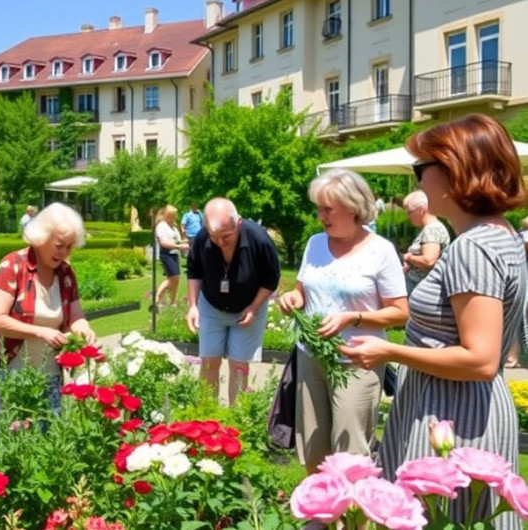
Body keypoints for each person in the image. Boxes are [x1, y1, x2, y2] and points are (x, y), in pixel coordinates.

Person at [340, 114, 527, 529]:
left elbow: (480, 359)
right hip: (472, 409)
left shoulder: (472, 249)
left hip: (453, 412)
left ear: (455, 171)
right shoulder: (504, 235)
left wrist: (387, 349)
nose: (418, 181)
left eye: (421, 168)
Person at [278, 169, 408, 474]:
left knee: (351, 455)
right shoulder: (315, 244)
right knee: (313, 450)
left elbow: (401, 312)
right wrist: (292, 300)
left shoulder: (381, 251)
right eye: (318, 208)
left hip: (358, 360)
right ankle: (322, 517)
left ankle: (355, 519)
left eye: (327, 209)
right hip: (311, 357)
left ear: (352, 207)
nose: (320, 216)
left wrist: (354, 317)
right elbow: (302, 291)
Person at [0, 202, 97, 443]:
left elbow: (75, 316)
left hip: (47, 374)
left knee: (44, 445)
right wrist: (40, 331)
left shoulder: (66, 273)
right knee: (1, 445)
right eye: (59, 245)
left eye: (69, 247)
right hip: (7, 371)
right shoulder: (13, 265)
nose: (64, 253)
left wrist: (84, 329)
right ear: (41, 237)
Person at [185, 198, 280, 404]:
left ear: (238, 223)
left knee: (239, 366)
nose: (220, 242)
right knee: (209, 362)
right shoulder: (203, 239)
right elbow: (194, 271)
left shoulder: (259, 239)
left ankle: (236, 421)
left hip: (248, 307)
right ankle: (206, 416)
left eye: (226, 236)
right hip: (211, 305)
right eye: (214, 236)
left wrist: (254, 307)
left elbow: (271, 279)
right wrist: (193, 306)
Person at [401, 189, 450, 294]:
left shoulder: (432, 230)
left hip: (422, 289)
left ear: (421, 210)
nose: (408, 217)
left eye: (409, 212)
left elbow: (429, 261)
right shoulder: (430, 228)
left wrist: (408, 257)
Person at [154, 205, 187, 308]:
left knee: (175, 279)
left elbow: (175, 240)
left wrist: (183, 242)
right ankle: (157, 296)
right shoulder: (161, 226)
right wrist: (179, 246)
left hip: (174, 254)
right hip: (167, 253)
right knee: (173, 278)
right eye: (172, 215)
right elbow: (164, 243)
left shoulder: (173, 227)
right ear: (167, 215)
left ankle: (173, 302)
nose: (174, 217)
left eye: (175, 215)